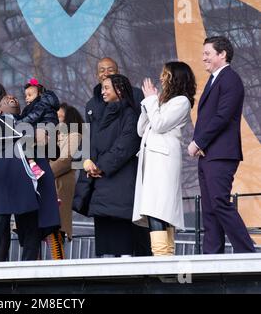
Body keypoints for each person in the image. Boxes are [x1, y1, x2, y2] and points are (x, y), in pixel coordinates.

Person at [187, 36, 255, 254]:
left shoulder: (230, 79)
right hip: (209, 155)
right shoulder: (216, 79)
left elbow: (222, 116)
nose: (203, 58)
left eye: (207, 53)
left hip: (221, 155)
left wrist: (198, 141)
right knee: (209, 209)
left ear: (222, 54)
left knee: (219, 202)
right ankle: (211, 257)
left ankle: (248, 253)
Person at [0, 83, 60, 262]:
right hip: (1, 181)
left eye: (15, 99)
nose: (13, 99)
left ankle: (28, 268)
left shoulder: (32, 120)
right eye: (7, 100)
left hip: (25, 182)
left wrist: (41, 137)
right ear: (0, 110)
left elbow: (52, 150)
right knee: (1, 225)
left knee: (29, 226)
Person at [84, 57, 151, 256]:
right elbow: (91, 137)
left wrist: (101, 165)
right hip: (101, 177)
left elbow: (128, 141)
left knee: (128, 233)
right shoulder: (92, 103)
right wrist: (88, 162)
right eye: (101, 70)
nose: (105, 73)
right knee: (107, 236)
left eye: (110, 69)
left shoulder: (134, 98)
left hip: (123, 172)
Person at [132, 61, 196, 256]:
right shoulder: (161, 101)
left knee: (159, 209)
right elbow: (141, 129)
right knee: (155, 208)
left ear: (175, 78)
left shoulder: (181, 101)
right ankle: (164, 256)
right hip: (152, 162)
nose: (161, 78)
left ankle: (162, 257)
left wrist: (152, 101)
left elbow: (159, 125)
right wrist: (150, 103)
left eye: (165, 74)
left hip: (164, 162)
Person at [49, 103, 83, 242]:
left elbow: (66, 160)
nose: (57, 120)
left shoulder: (75, 135)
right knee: (40, 232)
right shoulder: (53, 136)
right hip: (49, 185)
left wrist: (42, 174)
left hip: (60, 186)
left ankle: (58, 263)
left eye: (60, 117)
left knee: (57, 230)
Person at [16, 78, 60, 179]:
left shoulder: (40, 104)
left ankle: (32, 164)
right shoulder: (46, 104)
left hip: (43, 128)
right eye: (26, 96)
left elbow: (33, 116)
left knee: (25, 138)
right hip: (48, 129)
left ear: (39, 94)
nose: (27, 98)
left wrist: (18, 123)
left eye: (30, 95)